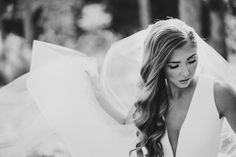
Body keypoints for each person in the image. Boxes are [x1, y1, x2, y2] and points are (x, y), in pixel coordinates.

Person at [0, 18, 235, 157]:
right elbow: (124, 126)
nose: (186, 71)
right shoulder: (152, 98)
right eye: (174, 65)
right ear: (159, 65)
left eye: (192, 60)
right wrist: (95, 91)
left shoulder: (219, 94)